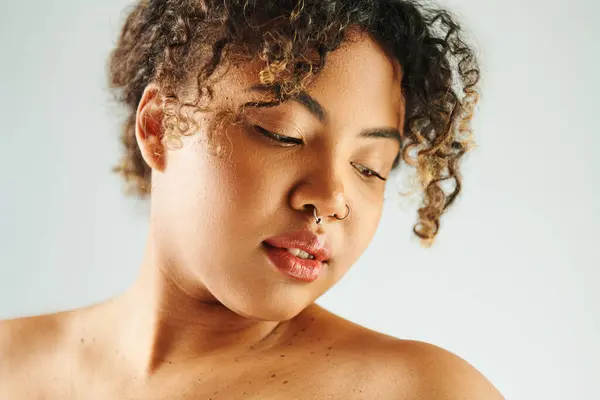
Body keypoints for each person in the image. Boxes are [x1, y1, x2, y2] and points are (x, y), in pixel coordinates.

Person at [0, 0, 504, 398]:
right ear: (158, 127)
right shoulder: (9, 364)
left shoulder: (421, 393)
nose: (331, 198)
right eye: (281, 134)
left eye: (369, 167)